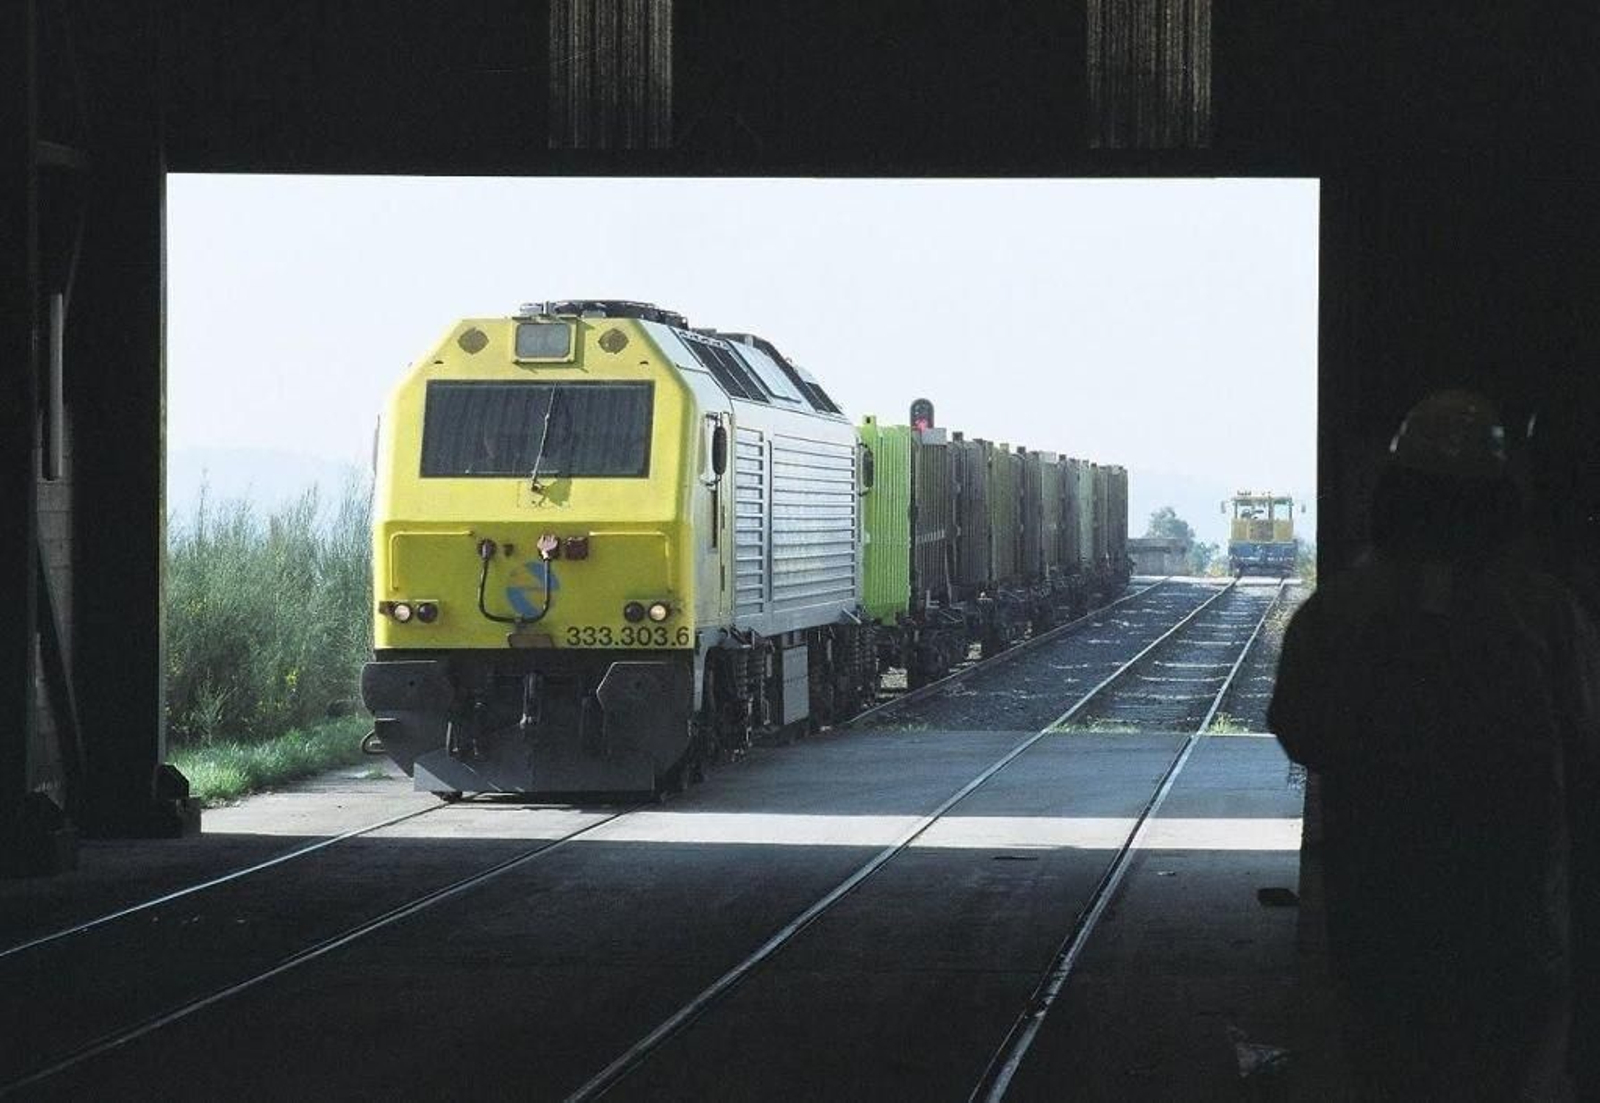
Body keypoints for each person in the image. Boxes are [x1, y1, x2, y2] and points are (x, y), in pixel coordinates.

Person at [1268, 390, 1600, 1100]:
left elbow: (1299, 726)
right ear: (1506, 500)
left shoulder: (1338, 613)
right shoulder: (1546, 615)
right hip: (1512, 930)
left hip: (1379, 926)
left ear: (1392, 494)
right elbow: (1584, 741)